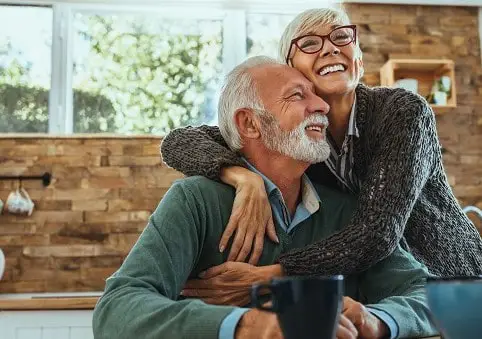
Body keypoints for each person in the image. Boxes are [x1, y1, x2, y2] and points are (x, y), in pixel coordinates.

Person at [93, 56, 436, 339]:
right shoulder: (195, 201)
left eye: (315, 95)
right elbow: (117, 309)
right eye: (298, 95)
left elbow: (428, 296)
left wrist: (377, 319)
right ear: (250, 124)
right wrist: (245, 325)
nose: (321, 105)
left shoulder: (347, 211)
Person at [160, 7, 482, 276]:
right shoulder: (297, 136)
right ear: (290, 69)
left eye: (342, 37)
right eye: (310, 43)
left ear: (359, 59)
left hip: (454, 281)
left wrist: (273, 275)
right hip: (383, 291)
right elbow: (180, 141)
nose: (330, 48)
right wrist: (243, 178)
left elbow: (377, 233)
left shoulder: (404, 112)